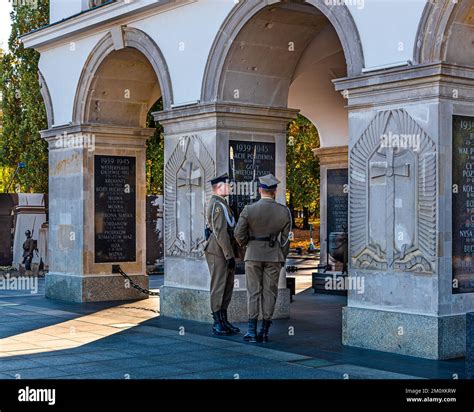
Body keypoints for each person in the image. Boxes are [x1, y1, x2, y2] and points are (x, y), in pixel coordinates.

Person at [234, 174, 292, 343]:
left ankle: (251, 332)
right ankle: (264, 331)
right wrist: (282, 255)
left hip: (253, 254)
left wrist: (247, 245)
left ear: (260, 190)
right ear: (275, 190)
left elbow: (238, 233)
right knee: (270, 292)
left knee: (253, 292)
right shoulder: (284, 211)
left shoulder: (249, 209)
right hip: (274, 256)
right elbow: (286, 239)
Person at [204, 173, 240, 336]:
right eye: (227, 185)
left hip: (225, 251)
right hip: (218, 251)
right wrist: (228, 255)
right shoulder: (217, 204)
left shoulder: (223, 203)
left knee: (227, 286)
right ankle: (217, 322)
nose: (230, 188)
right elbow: (220, 232)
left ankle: (224, 320)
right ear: (219, 187)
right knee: (219, 286)